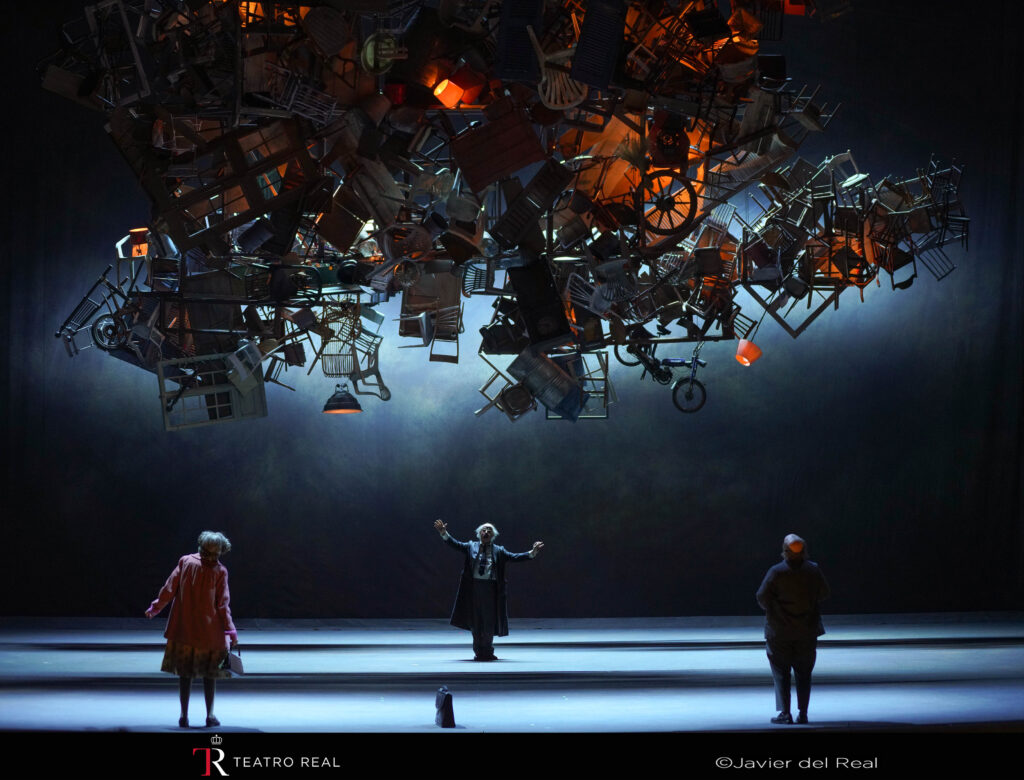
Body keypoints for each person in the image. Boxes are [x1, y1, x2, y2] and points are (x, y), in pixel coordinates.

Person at [146, 531, 238, 728]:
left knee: (184, 675)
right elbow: (223, 605)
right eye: (212, 554)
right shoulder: (220, 571)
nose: (212, 558)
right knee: (210, 675)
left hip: (184, 631)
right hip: (209, 634)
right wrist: (230, 631)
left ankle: (184, 716)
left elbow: (169, 588)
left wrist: (155, 608)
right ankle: (210, 716)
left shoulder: (186, 562)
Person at [434, 519, 544, 661]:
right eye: (484, 530)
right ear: (479, 533)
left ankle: (487, 651)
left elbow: (515, 557)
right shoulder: (470, 546)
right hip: (473, 589)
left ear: (493, 535)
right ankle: (478, 651)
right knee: (475, 622)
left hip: (490, 589)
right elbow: (455, 544)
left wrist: (532, 552)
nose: (486, 532)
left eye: (489, 530)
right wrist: (444, 533)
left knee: (489, 622)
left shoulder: (499, 551)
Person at [756, 533, 830, 725]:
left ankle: (785, 713)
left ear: (785, 551)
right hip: (807, 630)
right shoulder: (813, 570)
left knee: (781, 673)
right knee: (804, 673)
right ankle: (803, 713)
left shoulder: (776, 572)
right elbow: (824, 593)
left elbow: (762, 596)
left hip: (779, 632)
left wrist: (775, 609)